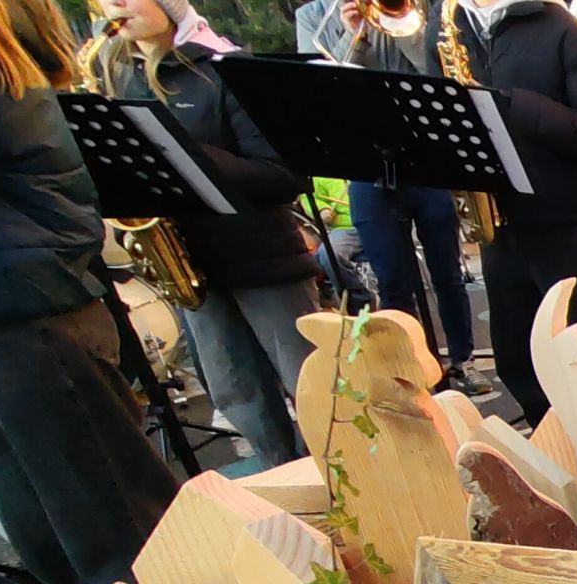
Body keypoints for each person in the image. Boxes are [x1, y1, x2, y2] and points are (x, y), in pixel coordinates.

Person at [0, 0, 177, 584]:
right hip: (21, 321)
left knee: (121, 535)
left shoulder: (5, 79)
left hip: (31, 321)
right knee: (51, 535)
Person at [90, 0, 315, 467]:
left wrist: (180, 150)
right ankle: (287, 484)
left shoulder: (225, 67)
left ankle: (353, 495)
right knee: (236, 394)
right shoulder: (117, 73)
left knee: (311, 388)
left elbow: (284, 177)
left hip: (261, 259)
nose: (116, 7)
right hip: (189, 265)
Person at [445, 0, 577, 424]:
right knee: (520, 369)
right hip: (498, 231)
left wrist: (513, 106)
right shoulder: (452, 28)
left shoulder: (563, 30)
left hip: (563, 228)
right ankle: (559, 469)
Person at [296, 0, 485, 394]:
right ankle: (411, 366)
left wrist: (405, 27)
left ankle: (463, 360)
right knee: (393, 279)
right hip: (365, 168)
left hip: (426, 157)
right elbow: (319, 94)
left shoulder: (421, 5)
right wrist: (354, 37)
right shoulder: (314, 16)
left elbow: (433, 72)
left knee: (447, 273)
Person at [310, 176, 375, 312]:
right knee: (329, 253)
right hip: (345, 229)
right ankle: (360, 304)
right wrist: (322, 209)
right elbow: (308, 197)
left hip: (377, 223)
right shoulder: (319, 175)